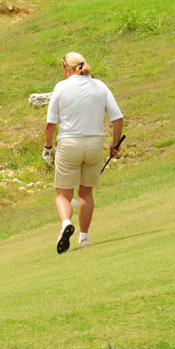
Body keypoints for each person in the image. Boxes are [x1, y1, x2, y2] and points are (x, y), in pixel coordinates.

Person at [43, 52, 123, 254]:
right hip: (94, 143)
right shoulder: (100, 86)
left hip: (69, 143)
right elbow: (117, 118)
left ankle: (65, 223)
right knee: (86, 192)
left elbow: (51, 123)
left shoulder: (61, 87)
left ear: (66, 68)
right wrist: (115, 143)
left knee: (63, 194)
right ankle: (84, 237)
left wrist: (47, 147)